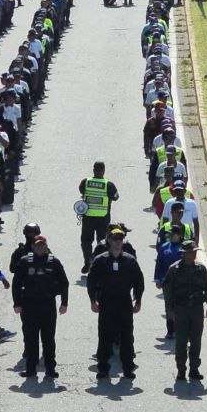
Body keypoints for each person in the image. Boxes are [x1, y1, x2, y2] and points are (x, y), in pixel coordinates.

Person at [87, 227, 144, 379]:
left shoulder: (130, 260)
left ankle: (128, 368)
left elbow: (139, 281)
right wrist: (93, 300)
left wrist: (138, 299)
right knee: (105, 336)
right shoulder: (101, 260)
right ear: (109, 240)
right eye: (114, 239)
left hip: (124, 302)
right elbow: (91, 281)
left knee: (126, 336)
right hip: (106, 302)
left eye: (120, 239)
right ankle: (103, 368)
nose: (118, 242)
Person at [11, 235, 70, 379]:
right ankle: (31, 370)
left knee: (48, 339)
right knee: (31, 339)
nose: (40, 247)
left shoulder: (54, 262)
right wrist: (17, 303)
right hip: (29, 306)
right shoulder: (25, 262)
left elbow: (64, 283)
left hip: (47, 305)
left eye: (42, 245)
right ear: (32, 246)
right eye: (37, 245)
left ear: (46, 246)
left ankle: (50, 370)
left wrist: (64, 303)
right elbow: (16, 284)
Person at [163, 240, 207, 382]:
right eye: (190, 252)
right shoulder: (174, 269)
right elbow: (167, 292)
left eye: (194, 251)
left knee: (196, 341)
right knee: (181, 341)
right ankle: (181, 370)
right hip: (181, 310)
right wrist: (169, 311)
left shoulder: (201, 269)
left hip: (197, 309)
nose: (193, 254)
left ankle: (194, 369)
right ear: (184, 254)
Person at [79, 161, 121, 273]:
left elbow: (81, 191)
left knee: (86, 241)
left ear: (93, 170)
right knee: (102, 242)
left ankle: (87, 262)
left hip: (88, 217)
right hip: (103, 218)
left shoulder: (86, 182)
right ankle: (99, 264)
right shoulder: (108, 184)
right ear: (103, 171)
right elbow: (116, 197)